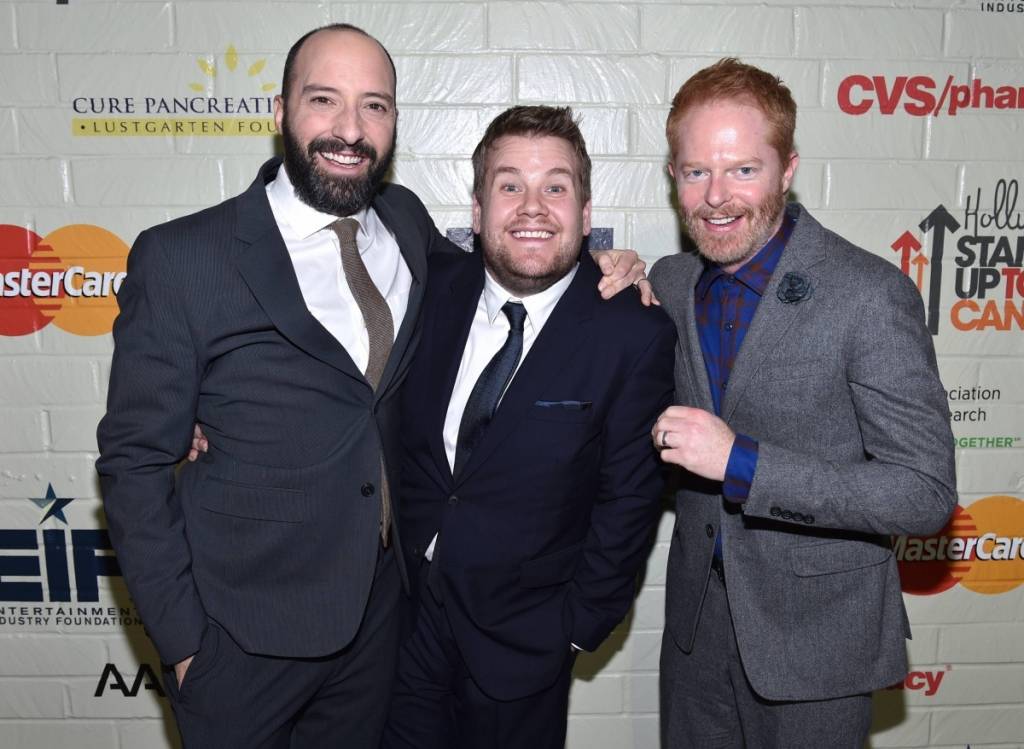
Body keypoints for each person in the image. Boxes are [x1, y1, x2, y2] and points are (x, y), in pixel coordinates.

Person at [95, 24, 641, 748]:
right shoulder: (183, 258)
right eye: (324, 99)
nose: (350, 130)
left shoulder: (405, 222)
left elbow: (510, 268)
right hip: (239, 642)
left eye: (374, 106)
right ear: (281, 110)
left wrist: (611, 269)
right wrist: (185, 642)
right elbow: (133, 463)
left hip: (380, 628)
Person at [649, 58, 957, 748]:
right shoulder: (670, 282)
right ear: (673, 177)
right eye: (696, 171)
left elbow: (924, 492)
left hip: (819, 639)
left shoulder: (868, 294)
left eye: (743, 169)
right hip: (695, 634)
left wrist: (742, 463)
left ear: (787, 169)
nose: (716, 197)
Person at [382, 106, 676, 749]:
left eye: (555, 187)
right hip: (404, 624)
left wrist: (575, 628)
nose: (532, 207)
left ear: (586, 214)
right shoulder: (427, 287)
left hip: (523, 644)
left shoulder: (632, 331)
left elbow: (630, 498)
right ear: (478, 209)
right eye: (510, 185)